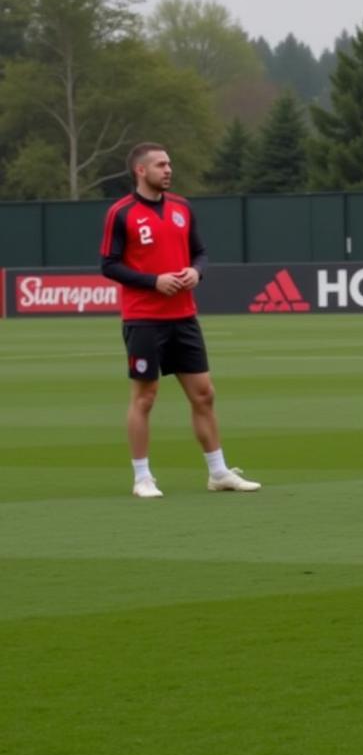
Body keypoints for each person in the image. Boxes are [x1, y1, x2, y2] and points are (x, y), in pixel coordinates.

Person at [100, 142, 260, 498]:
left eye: (169, 163)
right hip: (143, 318)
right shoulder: (121, 213)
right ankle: (142, 477)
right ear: (141, 170)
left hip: (184, 316)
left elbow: (200, 252)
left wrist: (195, 271)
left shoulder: (183, 208)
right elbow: (108, 265)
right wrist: (153, 281)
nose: (168, 169)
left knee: (204, 395)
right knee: (145, 397)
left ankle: (218, 472)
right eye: (160, 165)